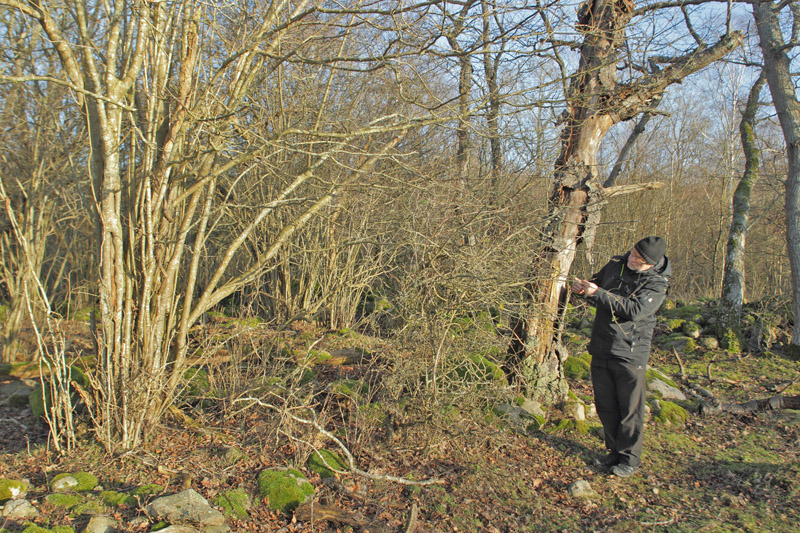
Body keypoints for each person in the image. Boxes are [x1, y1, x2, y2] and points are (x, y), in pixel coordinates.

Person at [571, 236, 671, 477]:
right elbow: (597, 284)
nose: (633, 259)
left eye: (640, 259)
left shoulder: (657, 284)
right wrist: (583, 289)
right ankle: (613, 451)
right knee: (606, 404)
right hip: (602, 345)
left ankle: (630, 459)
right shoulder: (617, 264)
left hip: (630, 352)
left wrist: (597, 294)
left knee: (630, 408)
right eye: (633, 253)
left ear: (652, 264)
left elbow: (634, 311)